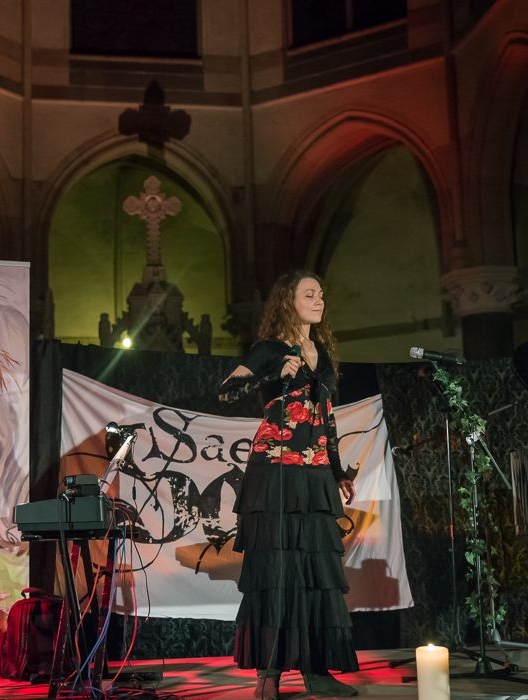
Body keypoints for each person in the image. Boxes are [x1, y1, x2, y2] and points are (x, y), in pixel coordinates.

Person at [219, 270, 359, 699]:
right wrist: (273, 374)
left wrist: (337, 472)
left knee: (315, 574)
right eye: (309, 294)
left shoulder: (323, 354)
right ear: (288, 302)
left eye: (321, 294)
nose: (319, 300)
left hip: (314, 476)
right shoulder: (269, 349)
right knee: (275, 572)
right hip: (274, 472)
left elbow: (326, 419)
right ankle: (269, 672)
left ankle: (317, 670)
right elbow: (226, 392)